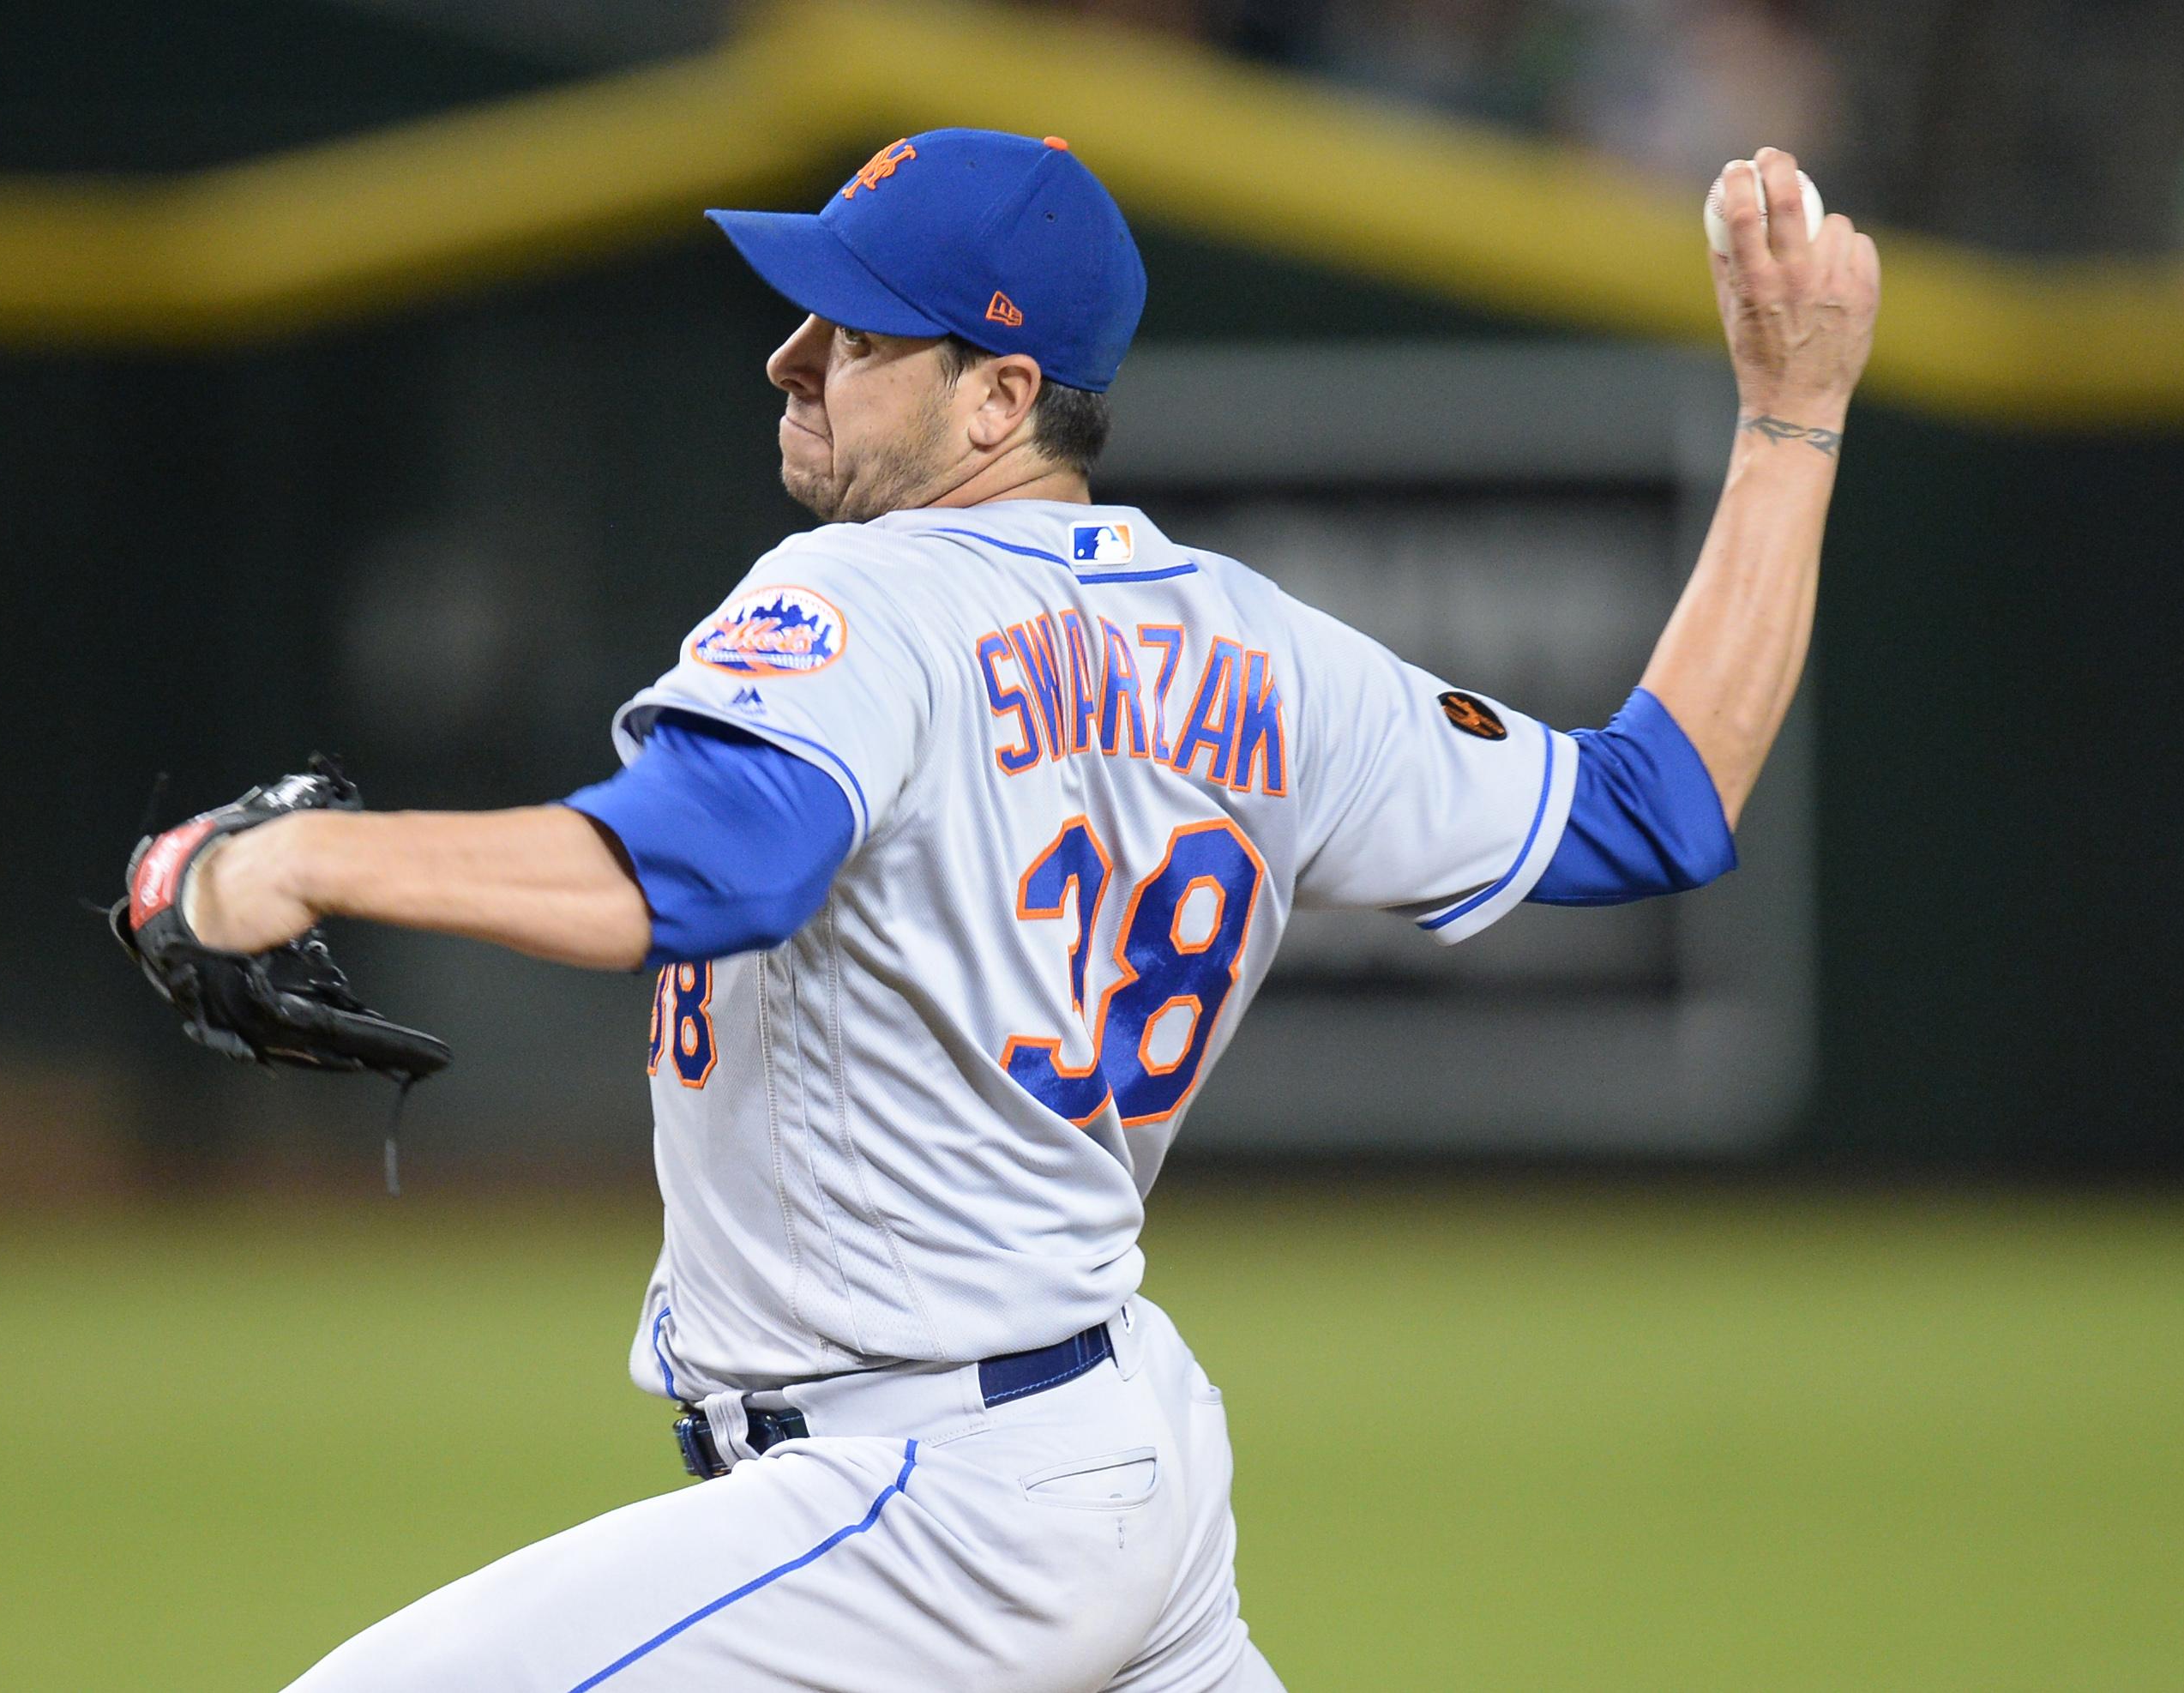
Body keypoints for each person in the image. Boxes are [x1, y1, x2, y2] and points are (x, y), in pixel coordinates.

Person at [166, 132, 1877, 1690]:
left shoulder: (862, 592)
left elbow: (702, 867)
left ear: (996, 400)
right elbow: (1651, 803)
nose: (791, 356)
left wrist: (299, 865)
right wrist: (1790, 421)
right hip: (1116, 1446)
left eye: (851, 327)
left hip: (926, 1509)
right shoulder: (1258, 646)